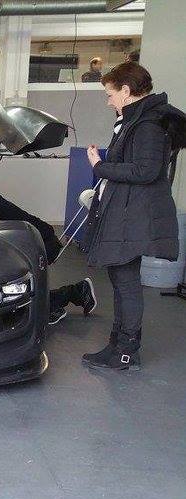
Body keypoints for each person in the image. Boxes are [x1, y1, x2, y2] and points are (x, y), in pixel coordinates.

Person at [81, 62, 186, 371]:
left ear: (126, 91)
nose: (108, 101)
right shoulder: (136, 120)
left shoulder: (147, 124)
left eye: (110, 94)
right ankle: (118, 345)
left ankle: (126, 352)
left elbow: (146, 170)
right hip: (128, 213)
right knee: (120, 279)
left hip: (134, 216)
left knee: (126, 282)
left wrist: (99, 166)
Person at [0, 170, 97, 325]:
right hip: (32, 240)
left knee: (16, 291)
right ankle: (71, 295)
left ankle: (63, 300)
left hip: (41, 243)